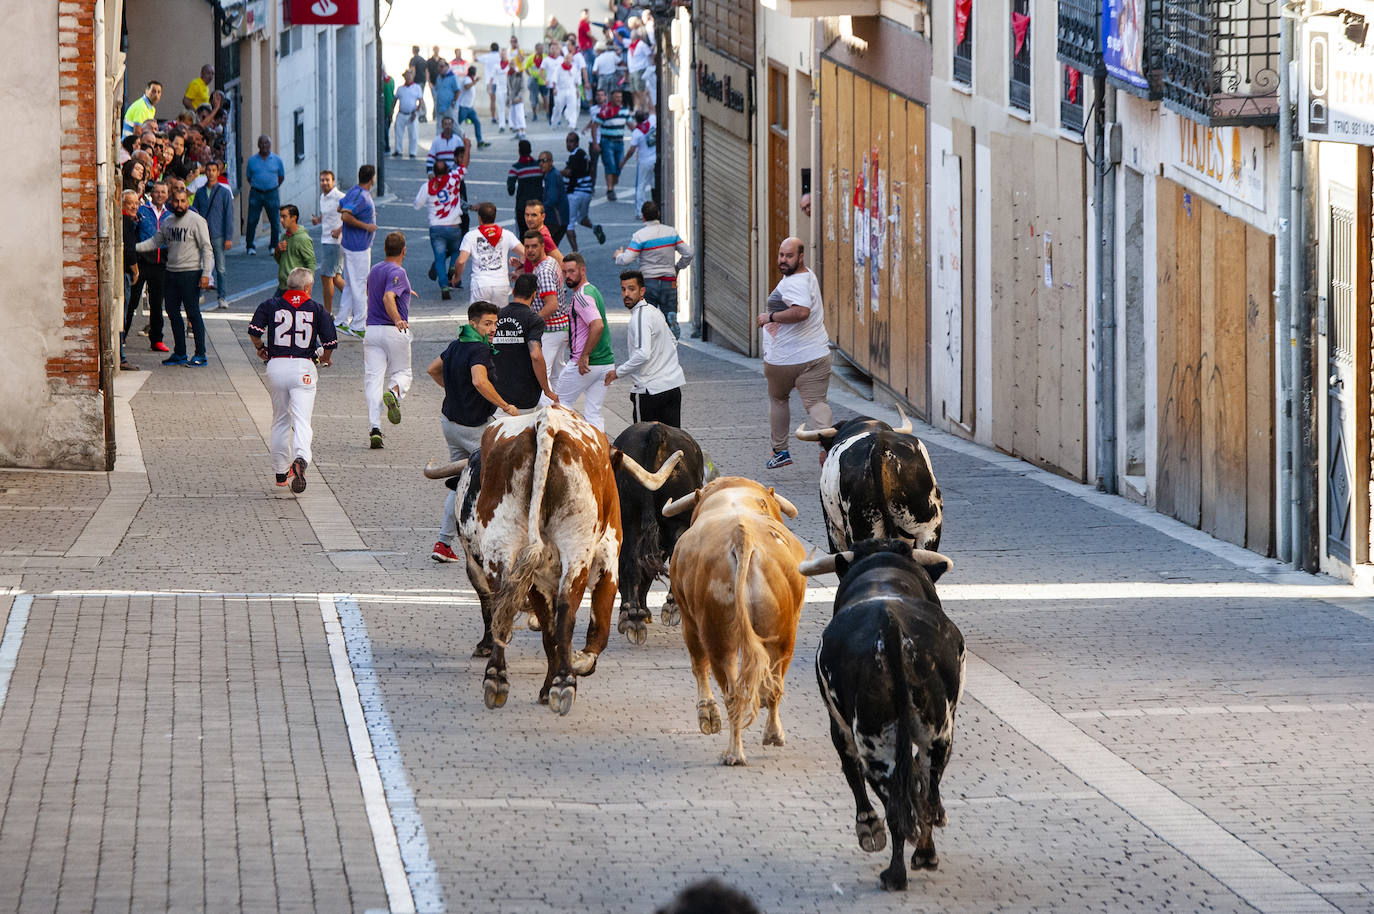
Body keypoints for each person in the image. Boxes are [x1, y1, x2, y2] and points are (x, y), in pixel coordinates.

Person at [427, 301, 517, 563]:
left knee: (460, 482)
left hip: (450, 423)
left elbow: (432, 369)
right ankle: (497, 540)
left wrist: (454, 390)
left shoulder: (456, 345)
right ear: (473, 323)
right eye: (488, 324)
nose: (493, 328)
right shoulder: (478, 349)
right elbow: (479, 380)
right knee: (500, 478)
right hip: (473, 428)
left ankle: (443, 543)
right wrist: (505, 406)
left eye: (495, 323)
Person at [247, 267, 338, 493]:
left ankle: (280, 472)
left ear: (289, 285)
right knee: (302, 420)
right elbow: (329, 343)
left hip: (277, 365)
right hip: (304, 367)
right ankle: (300, 458)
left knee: (280, 419)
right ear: (308, 287)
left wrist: (261, 349)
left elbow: (254, 331)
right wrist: (325, 359)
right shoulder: (317, 309)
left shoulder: (270, 304)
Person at [755, 237, 832, 469]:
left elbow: (801, 312)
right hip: (816, 354)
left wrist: (769, 317)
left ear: (801, 257)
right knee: (817, 404)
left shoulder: (793, 283)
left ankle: (780, 452)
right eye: (781, 255)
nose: (783, 260)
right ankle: (830, 450)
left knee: (779, 400)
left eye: (789, 256)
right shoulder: (807, 275)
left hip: (784, 359)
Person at [134, 187, 214, 366]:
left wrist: (206, 274)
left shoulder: (197, 221)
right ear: (171, 202)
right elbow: (156, 241)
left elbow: (207, 248)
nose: (179, 205)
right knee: (172, 312)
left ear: (188, 202)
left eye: (183, 201)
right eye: (176, 201)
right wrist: (133, 248)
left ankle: (201, 354)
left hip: (191, 273)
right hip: (170, 273)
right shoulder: (168, 222)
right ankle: (180, 353)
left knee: (193, 313)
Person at [604, 269, 684, 426]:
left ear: (642, 291)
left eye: (631, 289)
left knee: (643, 444)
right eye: (623, 289)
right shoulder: (654, 312)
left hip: (650, 392)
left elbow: (643, 354)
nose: (626, 294)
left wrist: (617, 373)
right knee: (672, 445)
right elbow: (673, 341)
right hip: (673, 388)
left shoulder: (640, 317)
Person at [551, 253, 614, 431]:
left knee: (560, 404)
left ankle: (570, 445)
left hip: (586, 364)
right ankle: (599, 452)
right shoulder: (592, 290)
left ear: (583, 270)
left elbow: (597, 325)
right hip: (605, 364)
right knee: (594, 413)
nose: (567, 276)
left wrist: (584, 355)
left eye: (571, 271)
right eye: (564, 272)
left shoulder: (581, 296)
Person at [613, 200, 692, 338]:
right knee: (669, 312)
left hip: (648, 282)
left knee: (648, 317)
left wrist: (618, 255)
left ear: (643, 216)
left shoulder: (640, 236)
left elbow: (626, 259)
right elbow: (689, 253)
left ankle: (653, 342)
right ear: (659, 214)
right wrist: (678, 267)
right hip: (669, 280)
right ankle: (671, 328)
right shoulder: (671, 233)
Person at [364, 232, 414, 449]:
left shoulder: (375, 269)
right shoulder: (398, 271)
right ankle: (393, 392)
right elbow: (387, 296)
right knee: (403, 373)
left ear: (385, 249)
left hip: (372, 331)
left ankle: (375, 428)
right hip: (393, 331)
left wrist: (407, 291)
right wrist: (398, 319)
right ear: (404, 250)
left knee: (373, 380)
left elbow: (375, 293)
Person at [492, 272, 558, 415]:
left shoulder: (496, 316)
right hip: (524, 396)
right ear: (534, 295)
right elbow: (535, 355)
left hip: (496, 395)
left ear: (514, 291)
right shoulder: (534, 320)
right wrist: (546, 390)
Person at [414, 159, 465, 301]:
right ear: (447, 171)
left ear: (434, 172)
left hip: (436, 228)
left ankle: (444, 286)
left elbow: (417, 205)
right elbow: (464, 167)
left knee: (439, 258)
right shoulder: (454, 180)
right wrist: (467, 147)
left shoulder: (428, 186)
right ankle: (453, 268)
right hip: (454, 226)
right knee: (456, 251)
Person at [336, 165, 378, 338]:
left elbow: (341, 208)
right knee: (360, 285)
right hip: (358, 248)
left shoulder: (354, 191)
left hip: (350, 245)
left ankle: (341, 320)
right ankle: (359, 324)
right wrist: (366, 225)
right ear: (372, 179)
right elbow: (344, 215)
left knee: (350, 284)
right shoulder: (362, 197)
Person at [453, 201, 523, 305]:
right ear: (494, 216)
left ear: (479, 218)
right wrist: (521, 268)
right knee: (500, 318)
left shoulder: (471, 236)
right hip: (501, 283)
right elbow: (524, 252)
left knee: (478, 317)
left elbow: (461, 260)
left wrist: (457, 276)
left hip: (481, 284)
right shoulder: (507, 234)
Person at [131, 181, 171, 353]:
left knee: (156, 304)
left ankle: (156, 339)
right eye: (157, 192)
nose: (160, 195)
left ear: (167, 195)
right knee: (132, 300)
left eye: (163, 192)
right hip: (142, 261)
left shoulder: (170, 215)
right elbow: (133, 231)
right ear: (152, 194)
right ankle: (122, 335)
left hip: (161, 263)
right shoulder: (142, 211)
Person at [523, 229, 569, 381]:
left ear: (543, 246)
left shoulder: (543, 271)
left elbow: (551, 305)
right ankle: (561, 404)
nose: (530, 250)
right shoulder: (550, 261)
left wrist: (531, 322)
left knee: (541, 376)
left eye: (534, 246)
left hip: (550, 329)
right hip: (560, 328)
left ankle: (548, 405)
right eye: (527, 246)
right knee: (557, 374)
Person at [192, 160, 234, 310]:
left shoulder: (224, 192)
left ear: (218, 172)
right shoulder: (200, 192)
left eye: (213, 170)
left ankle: (222, 297)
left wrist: (228, 237)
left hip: (218, 234)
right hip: (202, 234)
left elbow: (229, 216)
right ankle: (199, 293)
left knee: (221, 268)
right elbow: (194, 213)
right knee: (201, 265)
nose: (210, 173)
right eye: (208, 170)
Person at [561, 131, 603, 252]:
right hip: (587, 192)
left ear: (577, 142)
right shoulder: (584, 154)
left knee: (569, 224)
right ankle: (595, 228)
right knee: (582, 218)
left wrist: (556, 173)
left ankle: (575, 252)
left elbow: (569, 172)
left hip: (575, 193)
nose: (568, 144)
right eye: (567, 141)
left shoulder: (575, 156)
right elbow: (592, 169)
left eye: (571, 141)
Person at [312, 169, 346, 315]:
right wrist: (318, 220)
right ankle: (360, 302)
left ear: (333, 181)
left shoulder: (340, 197)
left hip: (336, 243)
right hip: (325, 240)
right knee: (336, 278)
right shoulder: (323, 197)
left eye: (327, 180)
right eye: (322, 180)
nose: (324, 183)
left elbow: (351, 214)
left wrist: (340, 229)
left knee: (326, 276)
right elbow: (326, 215)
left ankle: (327, 313)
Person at [244, 135, 285, 254]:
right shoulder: (252, 160)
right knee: (252, 220)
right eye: (262, 143)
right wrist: (258, 185)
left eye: (266, 143)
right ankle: (250, 246)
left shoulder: (277, 160)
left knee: (274, 220)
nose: (264, 146)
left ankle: (273, 246)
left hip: (272, 193)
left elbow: (281, 176)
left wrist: (272, 186)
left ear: (270, 145)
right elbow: (249, 177)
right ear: (258, 145)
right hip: (256, 193)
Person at [119, 190, 143, 370]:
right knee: (123, 315)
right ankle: (121, 357)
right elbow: (129, 250)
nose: (134, 206)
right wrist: (135, 271)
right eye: (130, 203)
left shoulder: (129, 221)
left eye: (137, 203)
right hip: (125, 273)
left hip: (124, 272)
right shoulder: (125, 221)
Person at [590, 89, 628, 200]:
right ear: (611, 98)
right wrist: (595, 143)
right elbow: (595, 125)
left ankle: (612, 186)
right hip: (607, 142)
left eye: (620, 97)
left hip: (619, 142)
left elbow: (630, 124)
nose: (618, 99)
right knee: (610, 165)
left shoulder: (624, 110)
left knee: (618, 166)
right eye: (616, 97)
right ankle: (610, 189)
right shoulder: (604, 111)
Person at [274, 204, 316, 295]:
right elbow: (280, 261)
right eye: (280, 217)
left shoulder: (303, 238)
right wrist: (277, 250)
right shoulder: (284, 236)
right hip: (282, 286)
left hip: (296, 289)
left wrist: (308, 288)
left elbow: (311, 263)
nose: (281, 220)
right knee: (271, 308)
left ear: (294, 218)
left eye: (284, 217)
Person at [621, 111, 657, 216]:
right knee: (654, 184)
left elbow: (631, 150)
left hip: (644, 161)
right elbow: (652, 109)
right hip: (654, 159)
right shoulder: (652, 124)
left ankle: (640, 211)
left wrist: (623, 161)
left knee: (640, 186)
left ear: (636, 120)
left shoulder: (637, 132)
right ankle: (657, 206)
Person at [507, 140, 543, 235]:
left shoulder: (516, 168)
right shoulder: (538, 166)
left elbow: (510, 189)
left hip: (523, 206)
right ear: (530, 150)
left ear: (519, 151)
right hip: (538, 205)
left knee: (523, 234)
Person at [538, 150, 570, 247]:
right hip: (557, 220)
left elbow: (552, 199)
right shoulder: (549, 175)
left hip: (556, 220)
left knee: (547, 250)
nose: (541, 164)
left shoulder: (552, 176)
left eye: (544, 161)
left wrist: (539, 210)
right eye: (539, 161)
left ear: (551, 162)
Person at [521, 200, 564, 268]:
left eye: (534, 215)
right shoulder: (537, 232)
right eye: (527, 215)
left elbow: (562, 263)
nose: (529, 219)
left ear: (543, 217)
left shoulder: (543, 237)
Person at [455, 66, 489, 147]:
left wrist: (474, 81)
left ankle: (479, 141)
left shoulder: (470, 79)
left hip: (469, 107)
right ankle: (454, 139)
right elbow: (467, 87)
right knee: (457, 124)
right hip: (463, 106)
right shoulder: (467, 79)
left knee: (477, 122)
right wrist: (475, 82)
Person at [393, 70, 423, 158]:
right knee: (398, 133)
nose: (408, 77)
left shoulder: (417, 87)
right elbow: (395, 100)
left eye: (410, 75)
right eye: (407, 76)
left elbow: (420, 101)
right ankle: (398, 150)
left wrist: (416, 112)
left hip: (412, 113)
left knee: (413, 134)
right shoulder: (400, 89)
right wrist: (392, 112)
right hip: (401, 113)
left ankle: (413, 152)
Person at [626, 26, 654, 112]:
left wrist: (652, 65)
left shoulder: (641, 45)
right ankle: (637, 107)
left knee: (640, 90)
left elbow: (650, 54)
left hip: (640, 69)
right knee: (633, 91)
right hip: (632, 70)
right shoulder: (631, 45)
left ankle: (645, 108)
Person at [477, 42, 501, 123]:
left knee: (492, 100)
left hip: (489, 81)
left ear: (491, 48)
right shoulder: (500, 56)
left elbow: (476, 59)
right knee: (501, 100)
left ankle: (493, 117)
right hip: (500, 81)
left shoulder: (486, 57)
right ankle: (501, 116)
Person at [431, 60, 459, 125]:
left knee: (454, 125)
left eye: (442, 66)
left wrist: (454, 102)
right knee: (440, 125)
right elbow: (437, 89)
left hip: (450, 106)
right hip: (440, 106)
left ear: (447, 67)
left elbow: (458, 91)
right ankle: (439, 135)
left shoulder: (453, 77)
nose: (440, 69)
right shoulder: (439, 77)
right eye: (438, 67)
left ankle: (461, 135)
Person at [506, 57, 528, 141]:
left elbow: (523, 87)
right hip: (512, 99)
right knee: (514, 116)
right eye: (510, 64)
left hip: (518, 99)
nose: (511, 66)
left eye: (513, 64)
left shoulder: (520, 73)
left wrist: (519, 97)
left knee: (520, 115)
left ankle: (522, 132)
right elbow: (508, 88)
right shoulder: (509, 74)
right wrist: (508, 98)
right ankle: (518, 132)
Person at [381, 68, 396, 153]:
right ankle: (386, 146)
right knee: (386, 128)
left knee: (385, 129)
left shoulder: (383, 82)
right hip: (389, 108)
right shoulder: (391, 80)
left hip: (385, 109)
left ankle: (386, 147)